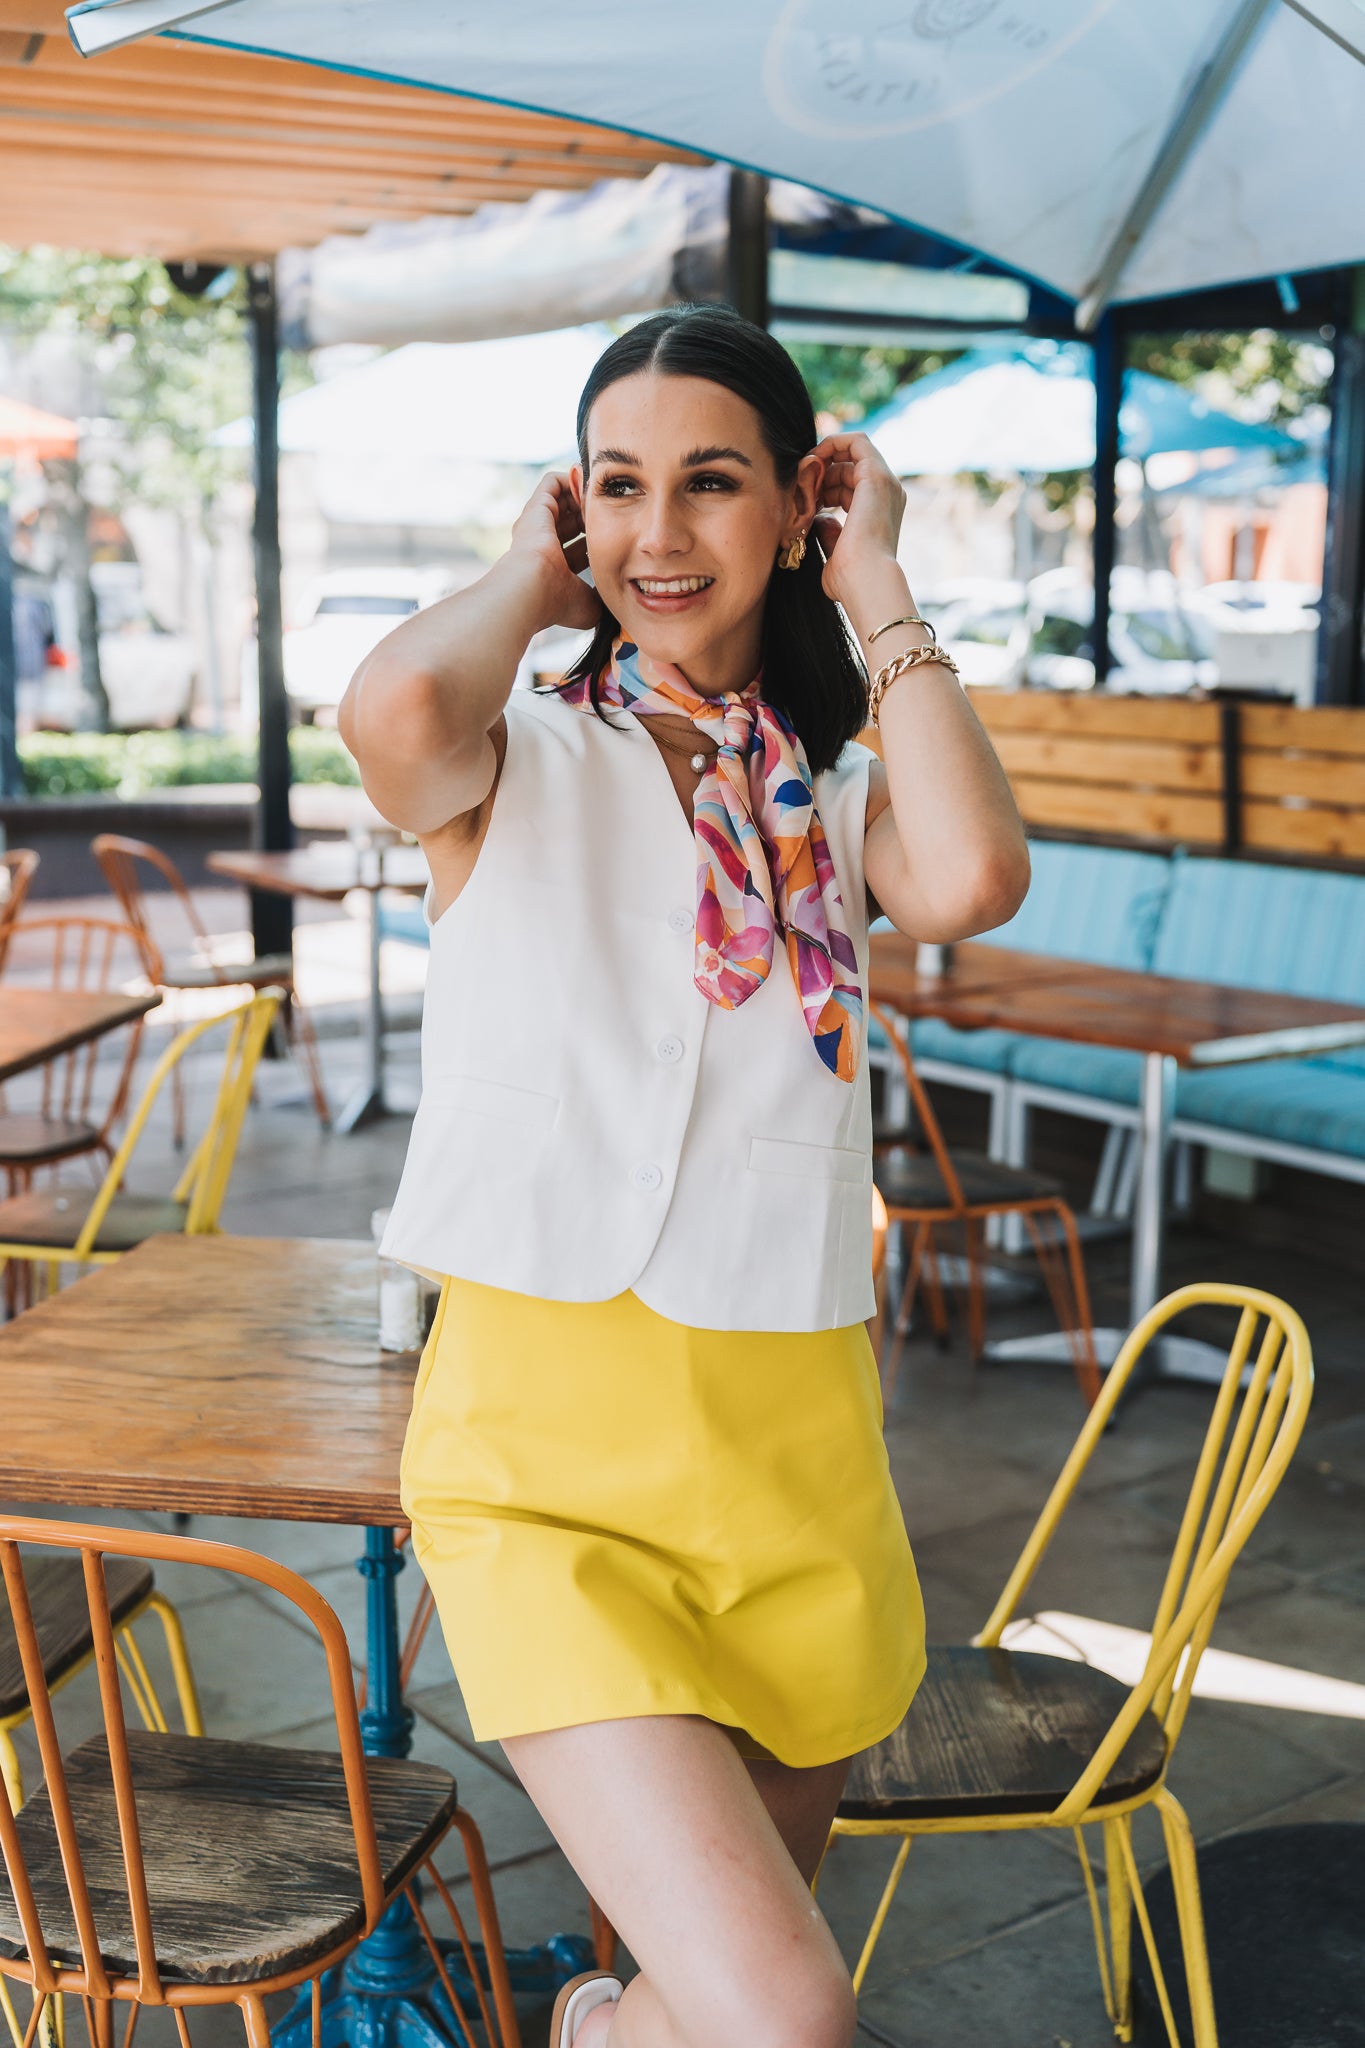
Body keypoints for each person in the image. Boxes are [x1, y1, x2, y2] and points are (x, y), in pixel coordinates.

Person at [339, 305, 1029, 2048]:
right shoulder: (509, 760)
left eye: (710, 486)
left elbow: (966, 879)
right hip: (543, 1468)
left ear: (791, 503)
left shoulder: (840, 788)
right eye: (619, 490)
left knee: (710, 2013)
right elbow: (398, 706)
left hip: (795, 1466)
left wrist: (876, 583)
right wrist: (529, 570)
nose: (659, 535)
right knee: (786, 2015)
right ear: (574, 514)